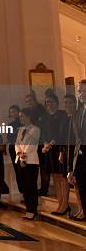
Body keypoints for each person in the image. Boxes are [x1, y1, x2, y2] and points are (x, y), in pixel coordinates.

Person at [43, 92, 70, 215]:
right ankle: (60, 204)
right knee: (55, 177)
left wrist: (50, 144)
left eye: (51, 101)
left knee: (63, 178)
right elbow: (44, 133)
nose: (48, 104)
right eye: (47, 102)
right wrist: (45, 144)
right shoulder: (45, 117)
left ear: (57, 103)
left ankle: (65, 204)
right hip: (49, 150)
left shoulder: (62, 115)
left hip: (59, 148)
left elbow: (61, 133)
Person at [15, 108, 41, 220]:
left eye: (22, 116)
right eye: (20, 116)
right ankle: (27, 209)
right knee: (24, 186)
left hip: (31, 160)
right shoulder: (21, 129)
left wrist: (24, 155)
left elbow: (31, 144)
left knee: (31, 186)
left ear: (28, 116)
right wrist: (19, 153)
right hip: (20, 159)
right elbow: (17, 143)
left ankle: (32, 210)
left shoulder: (35, 129)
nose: (20, 118)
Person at [68, 80, 86, 222]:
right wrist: (72, 167)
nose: (82, 94)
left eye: (85, 91)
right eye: (80, 91)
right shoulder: (78, 113)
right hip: (80, 159)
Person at [26, 91, 50, 196]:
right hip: (34, 142)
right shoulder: (29, 111)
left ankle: (45, 188)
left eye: (30, 100)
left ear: (34, 99)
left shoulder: (41, 110)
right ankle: (42, 187)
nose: (28, 103)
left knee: (44, 166)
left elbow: (42, 125)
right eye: (27, 101)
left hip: (42, 140)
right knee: (40, 165)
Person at [6, 105, 23, 195]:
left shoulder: (24, 123)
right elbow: (9, 138)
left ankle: (26, 191)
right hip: (13, 148)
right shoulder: (11, 125)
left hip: (23, 148)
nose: (13, 114)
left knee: (24, 170)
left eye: (14, 111)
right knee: (17, 170)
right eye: (11, 112)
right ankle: (22, 191)